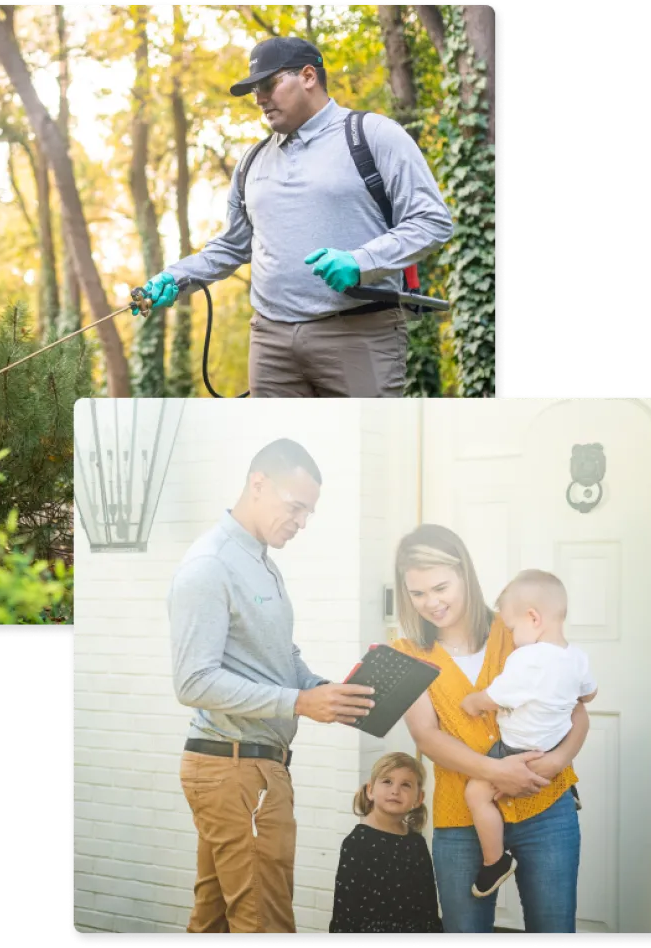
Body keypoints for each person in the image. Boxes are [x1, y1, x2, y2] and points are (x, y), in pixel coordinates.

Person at [134, 36, 453, 397]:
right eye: (255, 89)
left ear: (307, 76)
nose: (260, 98)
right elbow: (232, 247)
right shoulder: (251, 162)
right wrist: (175, 278)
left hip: (359, 335)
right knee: (276, 454)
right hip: (271, 345)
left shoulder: (373, 136)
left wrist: (361, 261)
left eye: (268, 84)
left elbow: (432, 221)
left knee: (365, 452)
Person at [167, 438, 377, 934]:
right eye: (296, 506)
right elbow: (193, 681)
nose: (302, 521)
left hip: (245, 768)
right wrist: (300, 702)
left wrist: (324, 690)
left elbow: (278, 656)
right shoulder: (209, 566)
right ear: (258, 484)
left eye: (309, 512)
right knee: (265, 921)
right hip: (236, 769)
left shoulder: (261, 562)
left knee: (216, 918)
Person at [389, 524, 591, 934]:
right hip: (461, 819)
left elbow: (576, 709)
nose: (432, 603)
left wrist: (554, 763)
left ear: (465, 573)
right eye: (418, 593)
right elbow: (426, 737)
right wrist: (497, 773)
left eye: (441, 587)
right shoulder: (406, 653)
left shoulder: (516, 629)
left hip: (545, 806)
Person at [458, 570, 598, 898]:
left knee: (477, 794)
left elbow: (495, 697)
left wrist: (473, 703)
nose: (511, 635)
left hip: (516, 750)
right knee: (559, 725)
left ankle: (495, 861)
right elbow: (588, 695)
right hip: (555, 743)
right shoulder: (576, 656)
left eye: (511, 627)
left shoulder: (527, 658)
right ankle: (564, 787)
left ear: (533, 618)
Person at [329, 752, 443, 934]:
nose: (395, 791)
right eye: (387, 782)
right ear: (370, 790)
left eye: (406, 785)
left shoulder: (416, 842)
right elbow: (345, 907)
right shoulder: (357, 842)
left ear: (418, 799)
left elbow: (428, 903)